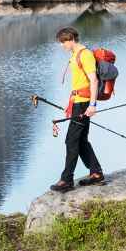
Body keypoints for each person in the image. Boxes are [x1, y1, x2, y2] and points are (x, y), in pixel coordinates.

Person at [50, 27, 105, 193]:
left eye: (63, 42)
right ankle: (96, 173)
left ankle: (67, 180)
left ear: (71, 39)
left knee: (71, 141)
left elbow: (93, 81)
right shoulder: (75, 54)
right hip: (77, 102)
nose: (62, 45)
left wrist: (93, 105)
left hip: (83, 103)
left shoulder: (85, 54)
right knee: (81, 140)